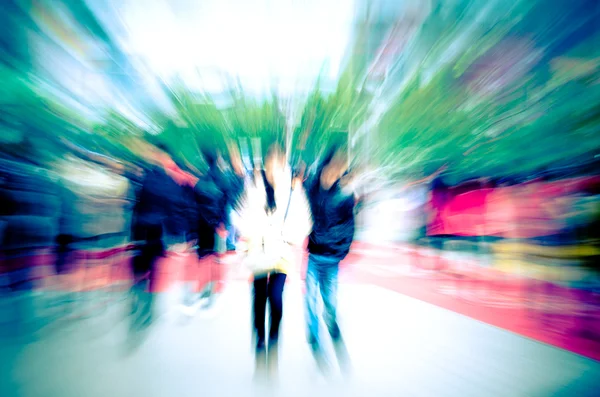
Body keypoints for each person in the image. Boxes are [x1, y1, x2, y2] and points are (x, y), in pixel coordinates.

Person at [236, 144, 312, 373]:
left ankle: (274, 338)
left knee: (276, 297)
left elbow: (304, 219)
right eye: (270, 165)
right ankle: (260, 341)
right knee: (259, 297)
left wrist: (291, 236)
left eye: (278, 165)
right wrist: (249, 233)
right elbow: (242, 214)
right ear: (266, 164)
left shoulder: (292, 190)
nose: (273, 170)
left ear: (283, 166)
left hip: (281, 251)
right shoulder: (253, 187)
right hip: (258, 250)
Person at [303, 144, 355, 354]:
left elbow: (349, 225)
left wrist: (341, 250)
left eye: (345, 164)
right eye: (341, 161)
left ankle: (332, 326)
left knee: (330, 303)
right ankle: (314, 338)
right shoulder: (313, 185)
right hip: (315, 255)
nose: (342, 167)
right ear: (332, 159)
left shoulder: (345, 192)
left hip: (332, 258)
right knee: (310, 299)